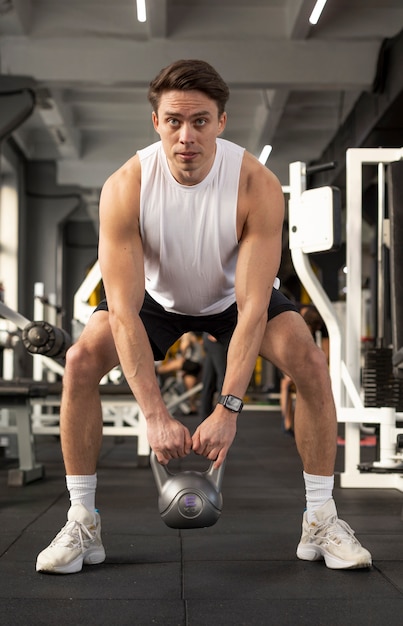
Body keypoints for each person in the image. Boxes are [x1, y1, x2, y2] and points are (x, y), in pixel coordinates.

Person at [36, 59, 372, 574]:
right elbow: (123, 312)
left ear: (221, 121)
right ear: (156, 122)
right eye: (174, 120)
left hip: (232, 299)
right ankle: (83, 521)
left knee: (310, 360)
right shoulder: (126, 186)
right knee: (81, 359)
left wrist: (229, 407)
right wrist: (153, 416)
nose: (186, 135)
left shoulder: (253, 183)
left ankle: (321, 520)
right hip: (154, 299)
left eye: (199, 121)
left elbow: (255, 306)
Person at [280, 305, 329, 436]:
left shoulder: (322, 323)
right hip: (285, 350)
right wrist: (289, 372)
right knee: (286, 383)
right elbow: (285, 347)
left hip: (305, 356)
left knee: (313, 383)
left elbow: (327, 353)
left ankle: (312, 423)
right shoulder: (291, 316)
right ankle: (287, 423)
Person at [156, 332, 203, 413]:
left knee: (168, 366)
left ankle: (156, 372)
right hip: (197, 364)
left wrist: (182, 355)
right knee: (190, 387)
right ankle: (193, 407)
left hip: (193, 363)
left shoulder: (187, 334)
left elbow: (184, 346)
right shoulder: (193, 337)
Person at [199, 333, 227, 419]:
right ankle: (222, 418)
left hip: (213, 336)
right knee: (224, 379)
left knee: (209, 380)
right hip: (217, 335)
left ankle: (205, 419)